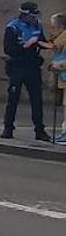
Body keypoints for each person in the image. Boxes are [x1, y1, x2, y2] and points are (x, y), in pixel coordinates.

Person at [2, 1, 52, 142]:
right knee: (13, 98)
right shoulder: (12, 28)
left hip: (32, 67)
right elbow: (8, 49)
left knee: (37, 99)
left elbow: (41, 41)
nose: (35, 18)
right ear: (24, 15)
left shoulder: (37, 26)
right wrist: (26, 45)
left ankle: (40, 130)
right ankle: (8, 128)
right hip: (17, 66)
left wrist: (48, 45)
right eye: (32, 15)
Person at [46, 12, 66, 144]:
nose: (51, 30)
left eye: (53, 27)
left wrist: (60, 64)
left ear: (61, 28)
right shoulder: (59, 42)